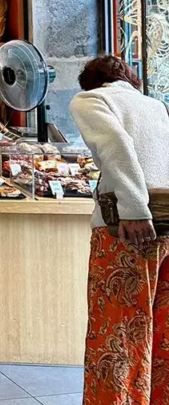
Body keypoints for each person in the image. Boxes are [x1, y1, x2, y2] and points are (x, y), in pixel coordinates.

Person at [69, 55, 169, 405]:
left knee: (116, 333)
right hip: (167, 227)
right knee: (161, 333)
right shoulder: (155, 105)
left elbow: (115, 146)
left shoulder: (90, 99)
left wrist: (132, 209)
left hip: (125, 231)